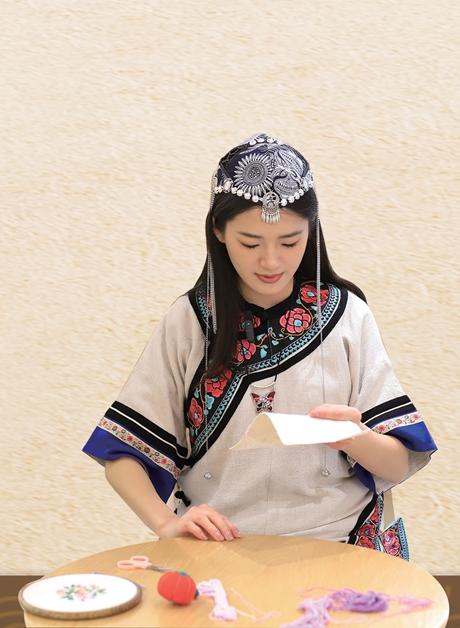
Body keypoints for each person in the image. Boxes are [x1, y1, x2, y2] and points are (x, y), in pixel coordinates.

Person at [82, 132, 437, 559]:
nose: (271, 261)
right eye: (250, 243)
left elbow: (400, 462)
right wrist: (166, 523)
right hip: (220, 545)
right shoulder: (190, 321)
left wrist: (353, 437)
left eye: (290, 241)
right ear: (218, 231)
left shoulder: (348, 315)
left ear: (312, 230)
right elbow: (122, 451)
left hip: (339, 542)